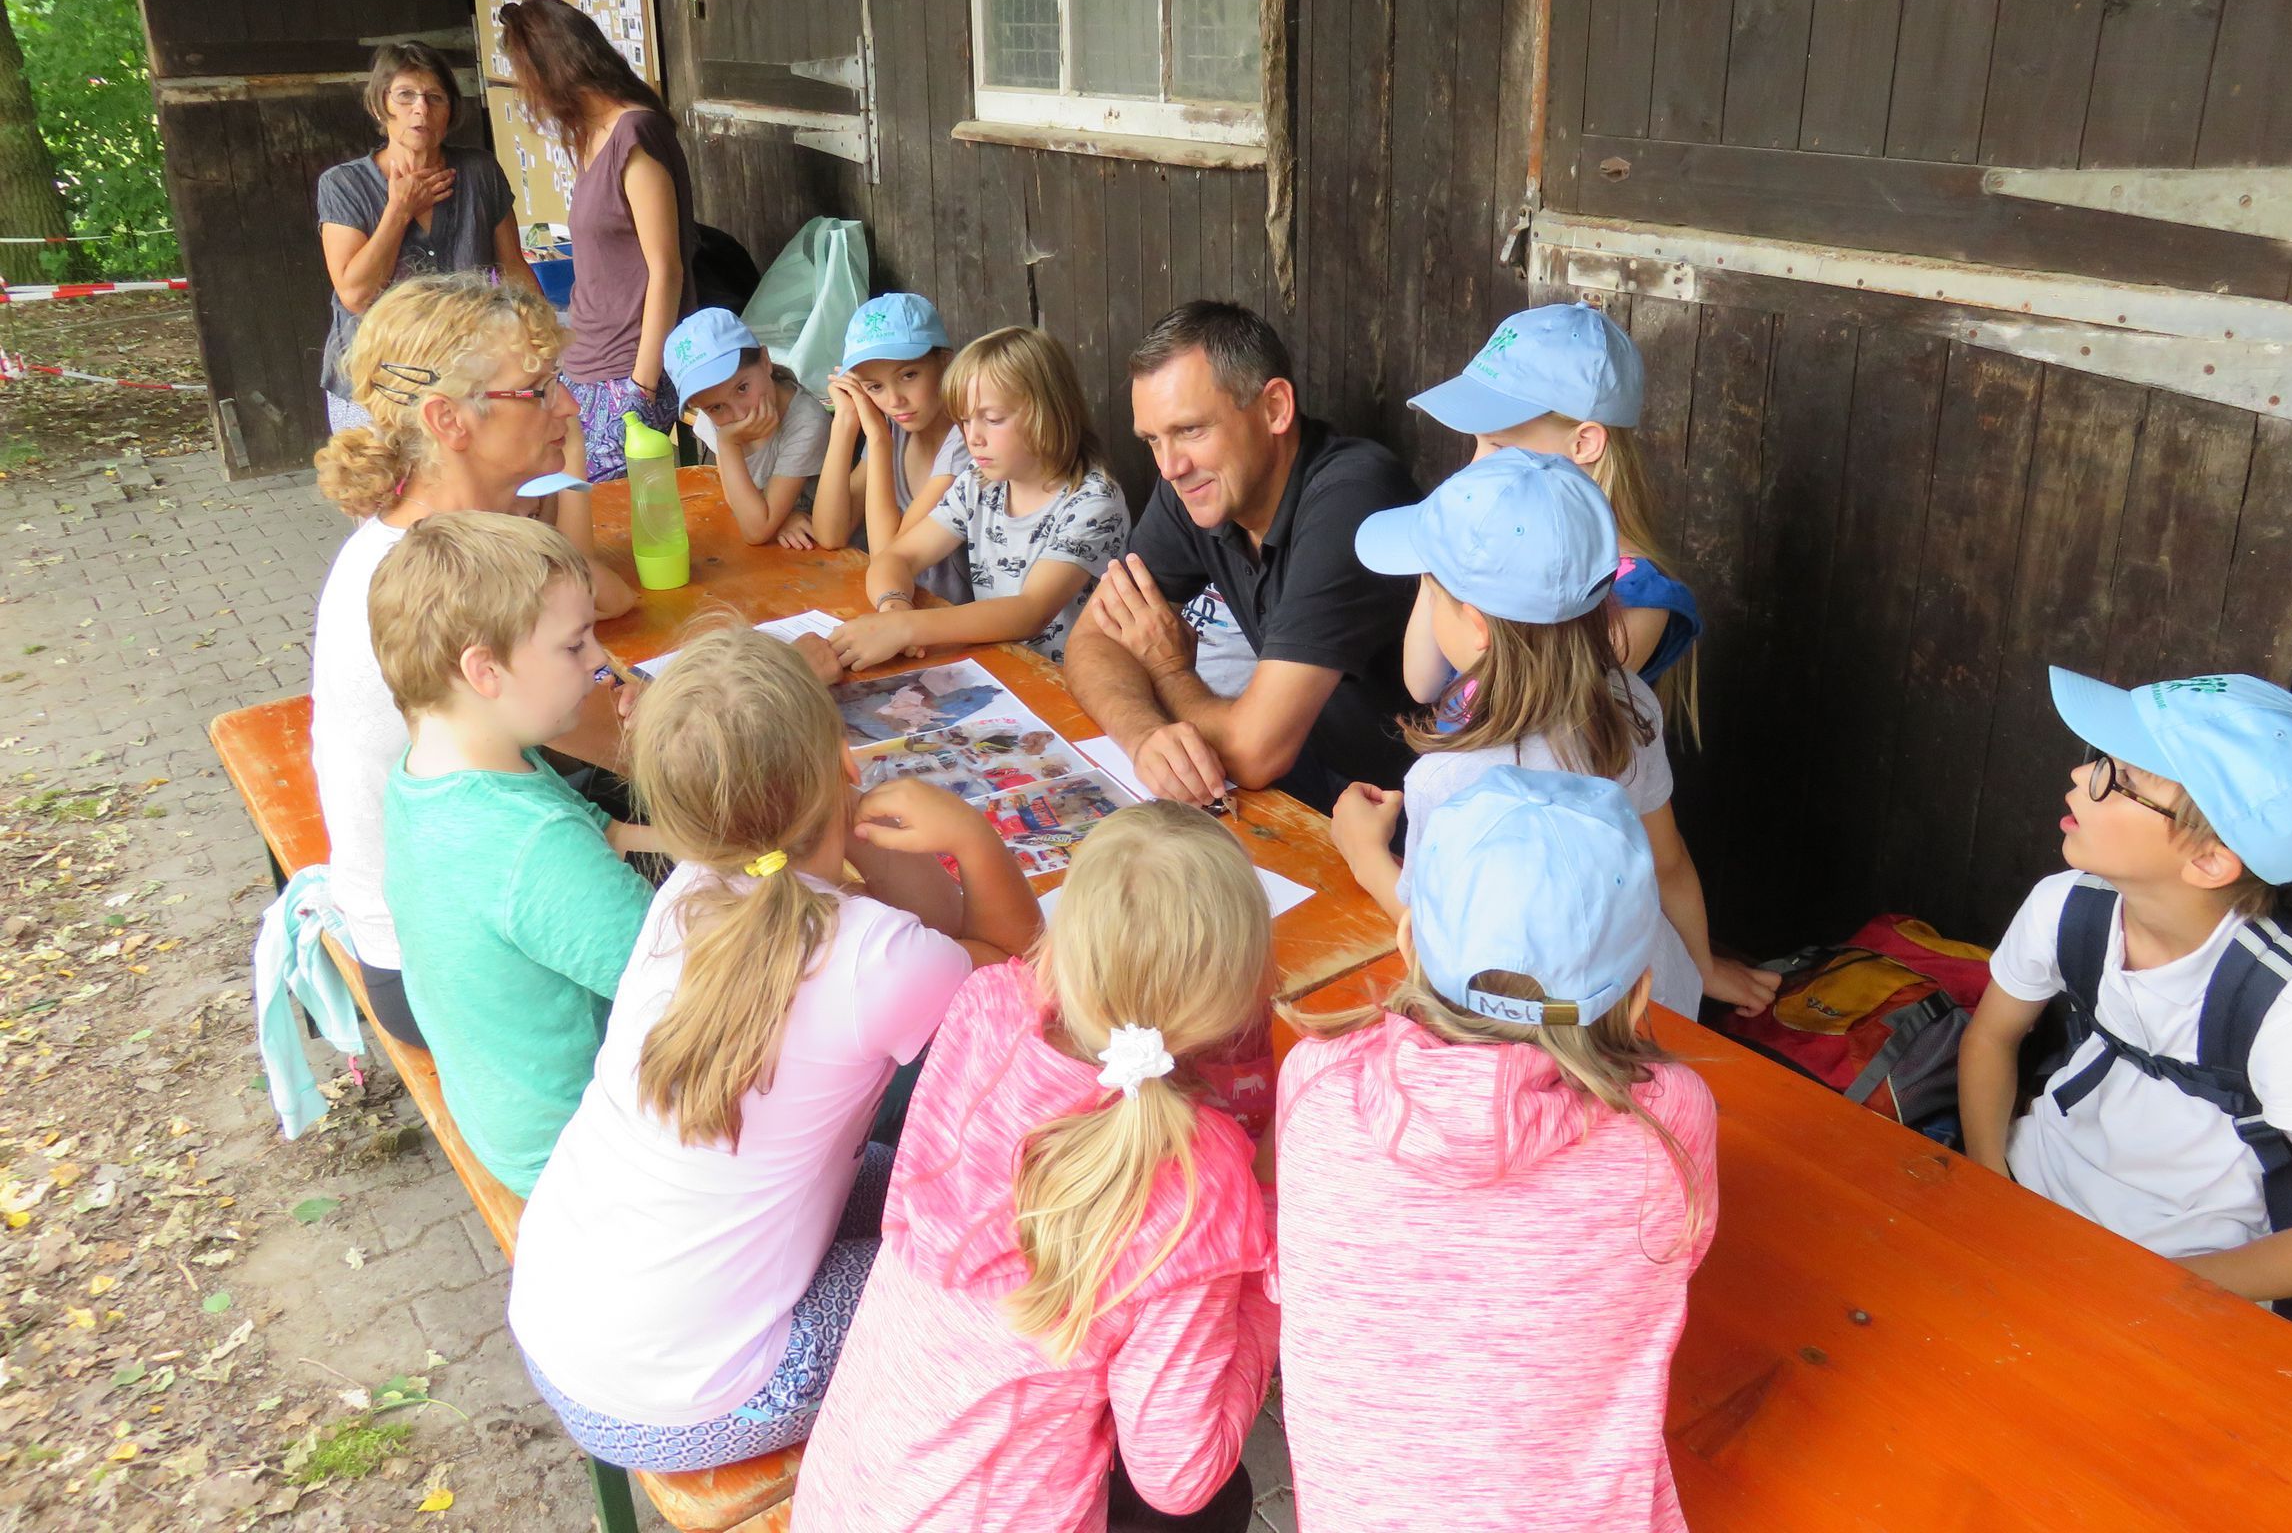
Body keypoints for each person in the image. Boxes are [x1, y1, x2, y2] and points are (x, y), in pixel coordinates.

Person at [507, 622, 1040, 1469]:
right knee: (1005, 1264)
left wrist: (834, 816)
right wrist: (972, 839)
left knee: (912, 1177)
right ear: (843, 761)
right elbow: (1010, 967)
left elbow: (932, 940)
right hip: (689, 1402)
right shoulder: (872, 958)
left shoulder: (688, 892)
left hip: (561, 1325)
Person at [789, 801, 1277, 1532]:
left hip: (844, 1498)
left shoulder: (987, 1007)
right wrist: (1267, 1254)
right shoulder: (1203, 1182)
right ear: (1242, 992)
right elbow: (1179, 1476)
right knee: (1218, 1502)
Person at [1277, 766, 1718, 1532]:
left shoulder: (1317, 1083)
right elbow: (1686, 1249)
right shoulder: (1670, 1121)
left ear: (1409, 941)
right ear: (1640, 996)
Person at [1958, 669, 2292, 1307]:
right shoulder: (2065, 907)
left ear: (2209, 860)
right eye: (2098, 758)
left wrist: (2151, 1292)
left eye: (2120, 778)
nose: (2080, 776)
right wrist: (1987, 1181)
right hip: (2035, 1187)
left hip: (2191, 1262)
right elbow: (1991, 1038)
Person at [310, 275, 638, 1049]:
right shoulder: (458, 584)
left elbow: (605, 600)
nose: (568, 407)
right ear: (448, 419)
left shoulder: (435, 541)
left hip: (435, 929)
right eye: (538, 389)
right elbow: (639, 740)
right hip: (439, 973)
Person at [1331, 449, 1775, 1012]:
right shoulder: (1628, 707)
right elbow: (1667, 864)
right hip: (1653, 1003)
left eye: (1433, 594)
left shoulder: (1442, 779)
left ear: (1475, 625)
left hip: (1541, 1033)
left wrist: (1364, 854)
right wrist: (1702, 969)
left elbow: (1442, 943)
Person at [369, 512, 662, 1194]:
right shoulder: (531, 845)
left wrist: (727, 844)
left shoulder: (438, 769)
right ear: (485, 670)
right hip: (591, 1159)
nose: (600, 662)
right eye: (575, 644)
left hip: (507, 1120)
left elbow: (610, 835)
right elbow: (691, 989)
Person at [1064, 301, 1418, 812]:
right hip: (1317, 779)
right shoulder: (1198, 486)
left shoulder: (1352, 500)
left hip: (1413, 816)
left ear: (1274, 408)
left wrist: (1168, 672)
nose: (1169, 466)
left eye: (1190, 430)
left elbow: (1256, 752)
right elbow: (1091, 639)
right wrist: (1145, 737)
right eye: (1153, 440)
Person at [1408, 303, 1702, 739]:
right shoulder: (1487, 537)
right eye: (1476, 444)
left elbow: (1543, 729)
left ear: (1584, 443)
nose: (1472, 468)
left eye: (1497, 446)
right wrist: (1437, 558)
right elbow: (1423, 683)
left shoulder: (1639, 597)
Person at [830, 325, 1128, 670]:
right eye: (965, 421)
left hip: (1068, 682)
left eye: (992, 419)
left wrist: (906, 628)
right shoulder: (980, 482)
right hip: (1001, 667)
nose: (973, 438)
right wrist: (893, 607)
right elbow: (897, 556)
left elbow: (1031, 611)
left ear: (1047, 413)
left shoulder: (1093, 502)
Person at [498, 0, 697, 482]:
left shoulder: (635, 131)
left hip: (629, 364)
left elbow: (667, 268)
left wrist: (642, 385)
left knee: (596, 501)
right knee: (552, 486)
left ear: (551, 70)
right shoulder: (590, 134)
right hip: (586, 357)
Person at [317, 41, 539, 433]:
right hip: (374, 384)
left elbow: (514, 270)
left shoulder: (479, 171)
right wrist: (399, 210)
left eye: (435, 97)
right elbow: (355, 295)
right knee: (383, 475)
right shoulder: (343, 185)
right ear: (379, 106)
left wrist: (541, 342)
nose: (420, 109)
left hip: (463, 376)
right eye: (405, 95)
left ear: (450, 111)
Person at [811, 292, 972, 603]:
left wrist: (877, 439)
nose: (894, 400)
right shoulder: (897, 428)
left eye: (908, 375)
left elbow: (886, 559)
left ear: (945, 361)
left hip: (949, 614)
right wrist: (845, 421)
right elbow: (829, 533)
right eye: (875, 386)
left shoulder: (966, 441)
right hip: (900, 604)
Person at [661, 307, 831, 547]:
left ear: (765, 361)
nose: (741, 414)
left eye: (742, 388)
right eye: (716, 408)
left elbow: (756, 531)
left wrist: (728, 443)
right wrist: (777, 518)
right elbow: (735, 499)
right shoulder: (716, 414)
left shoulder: (806, 422)